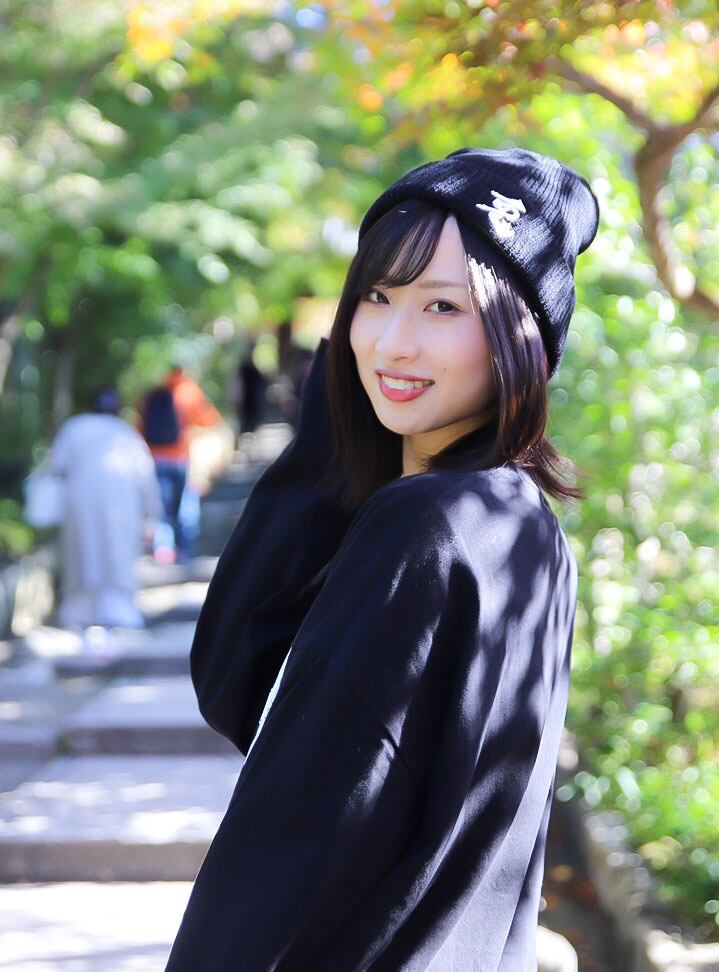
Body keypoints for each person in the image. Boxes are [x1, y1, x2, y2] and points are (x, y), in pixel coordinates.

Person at [165, 146, 600, 970]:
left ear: (520, 334)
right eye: (375, 297)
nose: (392, 343)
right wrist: (339, 422)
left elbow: (292, 838)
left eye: (442, 307)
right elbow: (237, 682)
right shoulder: (519, 523)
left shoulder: (424, 528)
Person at [48, 387, 162, 631]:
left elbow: (56, 465)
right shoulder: (126, 433)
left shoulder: (75, 427)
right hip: (122, 503)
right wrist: (152, 514)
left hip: (80, 502)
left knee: (83, 554)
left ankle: (79, 612)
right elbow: (146, 477)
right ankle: (119, 611)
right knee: (116, 555)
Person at [139, 364, 223, 565]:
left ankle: (164, 548)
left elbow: (140, 427)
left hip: (156, 457)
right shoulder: (189, 391)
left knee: (162, 504)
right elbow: (210, 420)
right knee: (186, 503)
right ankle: (185, 548)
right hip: (181, 457)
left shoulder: (154, 393)